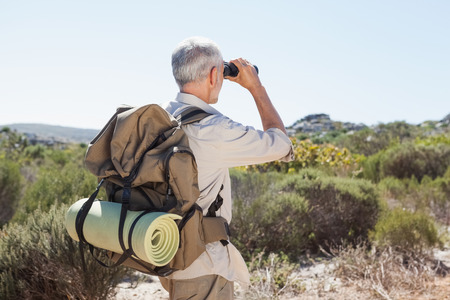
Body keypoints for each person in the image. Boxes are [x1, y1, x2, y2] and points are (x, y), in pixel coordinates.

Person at [159, 36, 294, 300]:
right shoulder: (213, 129)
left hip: (167, 253)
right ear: (213, 75)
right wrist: (256, 87)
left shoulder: (163, 116)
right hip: (203, 263)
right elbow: (282, 146)